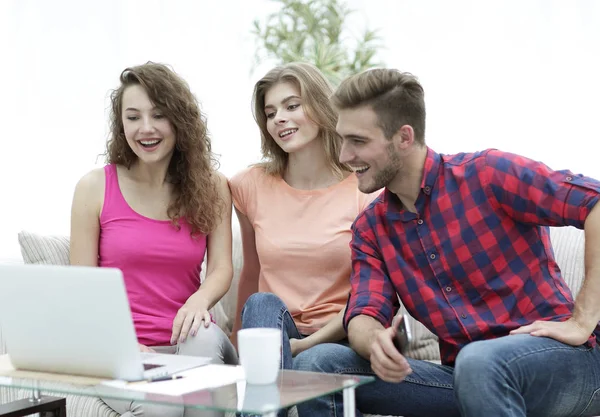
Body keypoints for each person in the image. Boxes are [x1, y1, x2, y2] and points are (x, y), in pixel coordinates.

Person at [294, 68, 600, 417]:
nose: (344, 155)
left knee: (479, 362)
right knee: (317, 363)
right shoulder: (371, 229)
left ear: (404, 137)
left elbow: (595, 202)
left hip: (564, 365)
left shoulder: (488, 174)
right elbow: (364, 311)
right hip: (462, 378)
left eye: (358, 141)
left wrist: (582, 320)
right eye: (343, 139)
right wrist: (373, 340)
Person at [70, 62, 237, 417]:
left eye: (158, 115)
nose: (145, 129)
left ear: (179, 120)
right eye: (133, 117)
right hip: (120, 350)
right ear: (121, 125)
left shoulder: (213, 187)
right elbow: (80, 288)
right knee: (165, 408)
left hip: (190, 341)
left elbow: (221, 267)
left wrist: (199, 301)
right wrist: (121, 343)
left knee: (203, 336)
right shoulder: (94, 188)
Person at [228, 62, 379, 380]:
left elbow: (367, 294)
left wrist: (304, 345)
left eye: (292, 106)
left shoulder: (364, 190)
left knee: (318, 358)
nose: (279, 118)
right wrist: (238, 347)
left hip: (339, 341)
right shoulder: (249, 185)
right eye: (270, 113)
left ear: (322, 108)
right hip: (274, 332)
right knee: (262, 302)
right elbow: (251, 272)